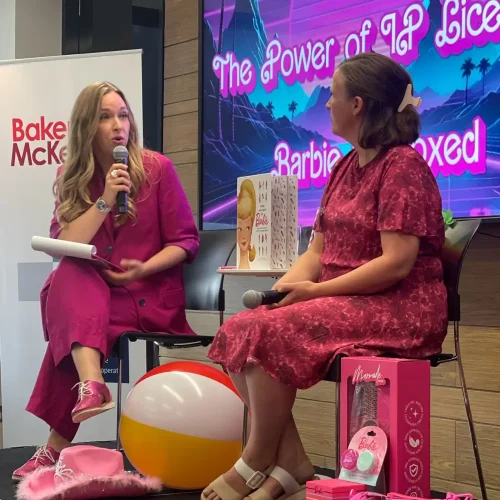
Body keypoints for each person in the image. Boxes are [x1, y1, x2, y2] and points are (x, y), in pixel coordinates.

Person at [203, 52, 447, 500]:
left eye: (333, 95)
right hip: (346, 300)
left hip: (399, 305)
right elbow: (317, 250)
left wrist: (315, 293)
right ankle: (292, 462)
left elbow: (396, 262)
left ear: (357, 104)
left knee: (270, 335)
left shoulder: (403, 167)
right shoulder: (343, 166)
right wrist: (281, 294)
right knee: (241, 330)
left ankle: (257, 459)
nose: (328, 104)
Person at [13, 81, 199, 481]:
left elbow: (186, 242)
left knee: (76, 333)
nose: (118, 125)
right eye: (105, 117)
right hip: (96, 296)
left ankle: (57, 440)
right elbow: (65, 244)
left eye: (123, 115)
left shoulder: (156, 170)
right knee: (72, 272)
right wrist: (104, 201)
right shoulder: (73, 176)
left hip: (148, 294)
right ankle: (92, 385)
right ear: (87, 127)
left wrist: (142, 269)